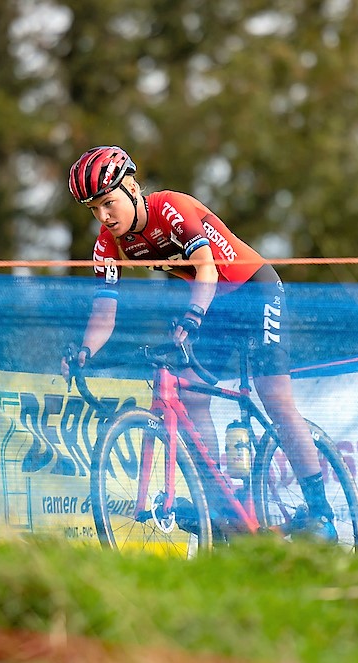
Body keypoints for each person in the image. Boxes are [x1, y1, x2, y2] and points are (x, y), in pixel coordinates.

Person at [61, 145, 337, 542]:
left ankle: (321, 511)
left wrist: (192, 317)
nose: (104, 216)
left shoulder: (170, 208)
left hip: (254, 289)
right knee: (191, 398)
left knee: (274, 396)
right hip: (213, 303)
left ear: (132, 187)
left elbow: (207, 266)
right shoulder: (108, 244)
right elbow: (105, 312)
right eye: (93, 210)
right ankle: (221, 506)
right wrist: (85, 350)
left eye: (108, 203)